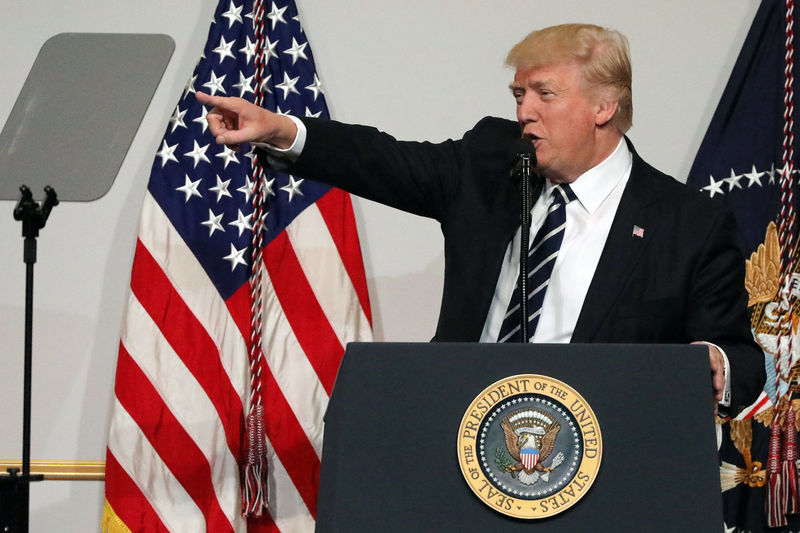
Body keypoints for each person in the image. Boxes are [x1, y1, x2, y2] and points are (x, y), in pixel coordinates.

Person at [196, 23, 765, 416]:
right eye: (519, 93)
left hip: (601, 463)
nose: (523, 111)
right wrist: (284, 132)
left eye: (545, 93)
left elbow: (740, 360)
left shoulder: (686, 222)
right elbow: (385, 160)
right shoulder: (491, 163)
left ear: (604, 106)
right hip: (460, 435)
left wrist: (712, 364)